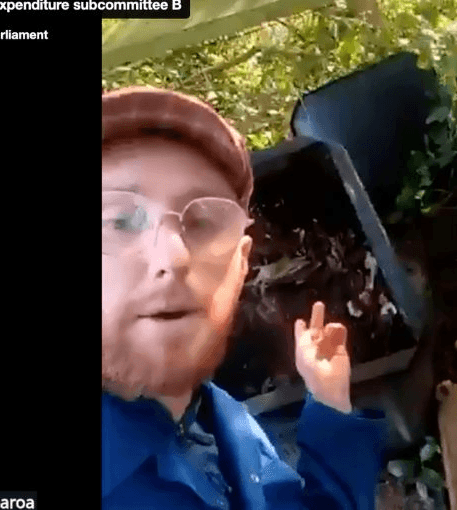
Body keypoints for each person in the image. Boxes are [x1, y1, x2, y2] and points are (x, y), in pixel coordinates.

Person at [101, 86, 387, 509]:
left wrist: (328, 400)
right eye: (121, 220)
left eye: (203, 221)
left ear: (241, 263)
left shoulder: (223, 423)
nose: (176, 256)